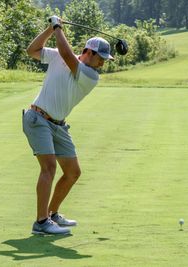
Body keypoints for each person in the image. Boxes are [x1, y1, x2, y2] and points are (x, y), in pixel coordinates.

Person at [23, 16, 114, 235]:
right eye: (100, 58)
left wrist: (57, 27)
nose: (102, 63)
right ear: (88, 52)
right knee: (49, 167)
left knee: (72, 172)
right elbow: (32, 50)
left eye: (105, 59)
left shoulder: (91, 75)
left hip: (58, 125)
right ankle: (41, 222)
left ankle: (52, 213)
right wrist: (49, 29)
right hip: (38, 119)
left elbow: (66, 54)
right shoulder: (60, 57)